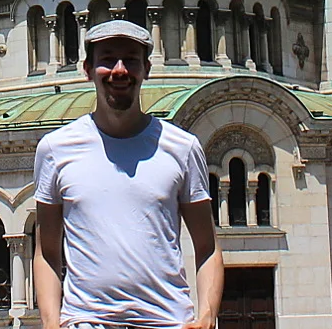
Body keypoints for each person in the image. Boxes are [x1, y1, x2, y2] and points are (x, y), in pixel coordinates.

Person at [34, 18, 221, 329]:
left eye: (130, 61)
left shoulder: (182, 147)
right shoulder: (55, 149)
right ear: (87, 69)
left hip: (167, 322)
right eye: (107, 60)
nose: (119, 70)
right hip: (87, 321)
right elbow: (47, 252)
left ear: (146, 69)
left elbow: (208, 247)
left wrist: (206, 319)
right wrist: (52, 324)